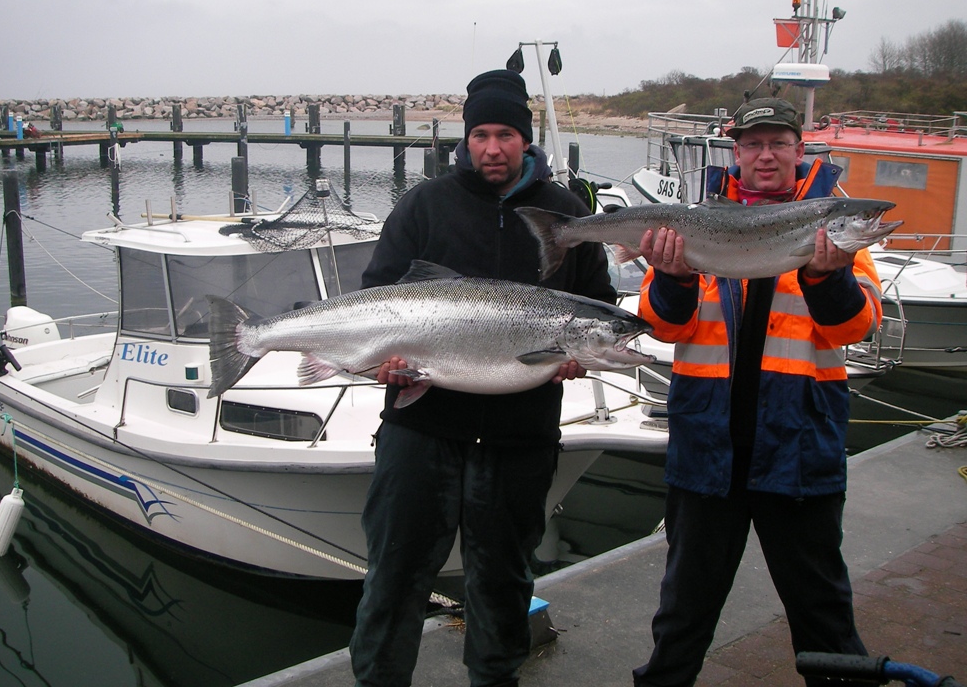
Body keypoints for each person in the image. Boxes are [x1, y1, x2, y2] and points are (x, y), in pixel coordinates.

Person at [349, 68, 616, 687]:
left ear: (526, 138)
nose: (492, 148)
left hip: (519, 437)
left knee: (503, 585)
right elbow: (375, 297)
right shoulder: (425, 205)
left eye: (505, 134)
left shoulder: (567, 214)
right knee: (394, 579)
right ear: (465, 140)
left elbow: (597, 303)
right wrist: (384, 361)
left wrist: (577, 358)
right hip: (421, 430)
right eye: (480, 135)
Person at [632, 97, 882, 687]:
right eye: (752, 144)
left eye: (778, 143)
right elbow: (663, 325)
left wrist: (828, 275)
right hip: (707, 445)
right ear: (736, 152)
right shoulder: (696, 223)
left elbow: (857, 325)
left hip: (798, 444)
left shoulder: (835, 228)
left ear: (800, 149)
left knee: (821, 606)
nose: (765, 155)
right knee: (683, 608)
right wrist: (672, 276)